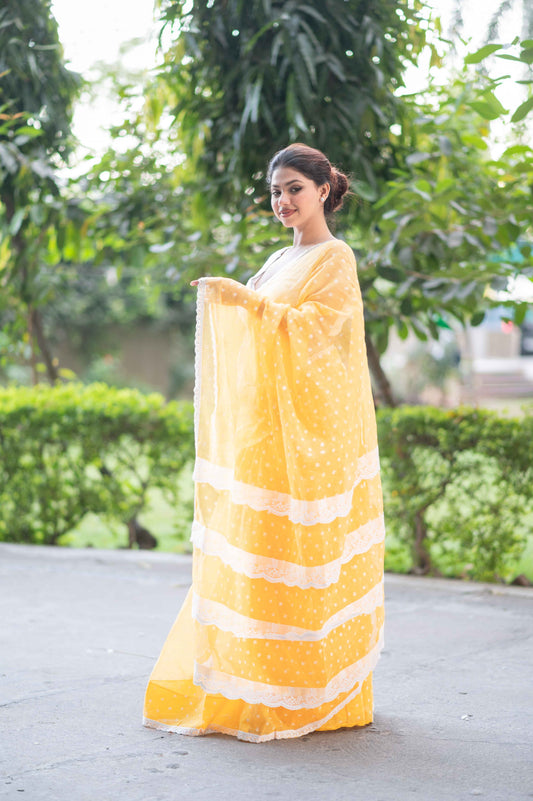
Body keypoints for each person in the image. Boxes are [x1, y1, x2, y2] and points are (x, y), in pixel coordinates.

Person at [143, 143, 385, 742]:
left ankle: (304, 698)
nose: (283, 201)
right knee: (254, 562)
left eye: (295, 189)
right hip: (259, 433)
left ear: (324, 190)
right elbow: (262, 330)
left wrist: (241, 299)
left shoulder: (335, 258)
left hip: (304, 444)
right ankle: (253, 691)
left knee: (297, 563)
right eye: (277, 191)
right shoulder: (280, 258)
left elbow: (323, 338)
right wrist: (241, 299)